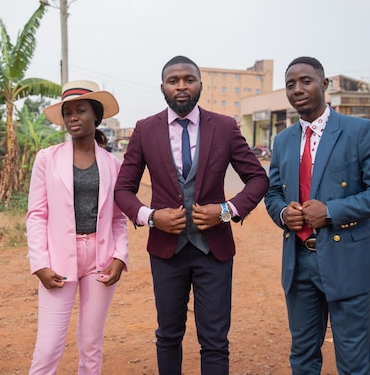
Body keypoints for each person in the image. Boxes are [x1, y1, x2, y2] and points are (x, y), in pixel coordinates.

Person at [114, 55, 269, 375]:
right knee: (168, 336)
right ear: (162, 88)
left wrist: (227, 210)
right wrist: (151, 216)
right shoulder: (145, 130)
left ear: (200, 84)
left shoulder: (225, 126)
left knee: (214, 340)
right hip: (166, 252)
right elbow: (123, 190)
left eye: (189, 79)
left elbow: (258, 178)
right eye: (174, 80)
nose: (181, 86)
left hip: (214, 251)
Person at [264, 56, 370, 374]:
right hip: (298, 262)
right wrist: (285, 213)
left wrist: (332, 212)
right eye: (290, 84)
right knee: (302, 355)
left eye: (306, 81)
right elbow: (272, 193)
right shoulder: (284, 140)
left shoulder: (359, 131)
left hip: (347, 260)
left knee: (353, 360)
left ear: (324, 85)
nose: (297, 89)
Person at [26, 80, 128, 375]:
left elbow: (118, 218)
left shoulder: (112, 164)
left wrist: (120, 256)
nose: (72, 117)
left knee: (91, 345)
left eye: (80, 110)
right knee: (47, 348)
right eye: (67, 111)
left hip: (101, 259)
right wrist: (40, 264)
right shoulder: (47, 159)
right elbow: (36, 214)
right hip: (57, 260)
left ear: (96, 116)